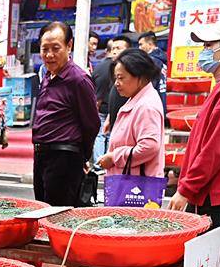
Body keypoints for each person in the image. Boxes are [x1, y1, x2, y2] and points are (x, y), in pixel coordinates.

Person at [165, 23, 220, 227]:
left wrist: (186, 189)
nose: (203, 51)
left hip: (209, 189)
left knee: (202, 244)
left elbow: (215, 147)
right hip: (208, 186)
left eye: (208, 45)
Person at [30, 22, 100, 206]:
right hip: (42, 155)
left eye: (55, 48)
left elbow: (91, 124)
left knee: (57, 214)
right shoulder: (47, 76)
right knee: (42, 209)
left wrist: (83, 156)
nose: (49, 55)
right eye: (45, 49)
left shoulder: (78, 80)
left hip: (64, 158)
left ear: (69, 46)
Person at [96, 48, 165, 185]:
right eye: (116, 78)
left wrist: (114, 157)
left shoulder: (146, 106)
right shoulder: (137, 98)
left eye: (121, 78)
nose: (116, 83)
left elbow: (149, 147)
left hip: (137, 186)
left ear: (140, 76)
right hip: (129, 182)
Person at [92, 34, 132, 168]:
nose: (114, 51)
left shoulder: (133, 74)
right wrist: (110, 117)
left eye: (118, 48)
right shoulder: (113, 70)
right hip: (112, 116)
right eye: (113, 48)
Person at [138, 31, 169, 106]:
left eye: (141, 44)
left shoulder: (150, 61)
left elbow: (149, 86)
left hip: (152, 102)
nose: (139, 48)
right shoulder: (165, 58)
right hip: (164, 98)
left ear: (150, 44)